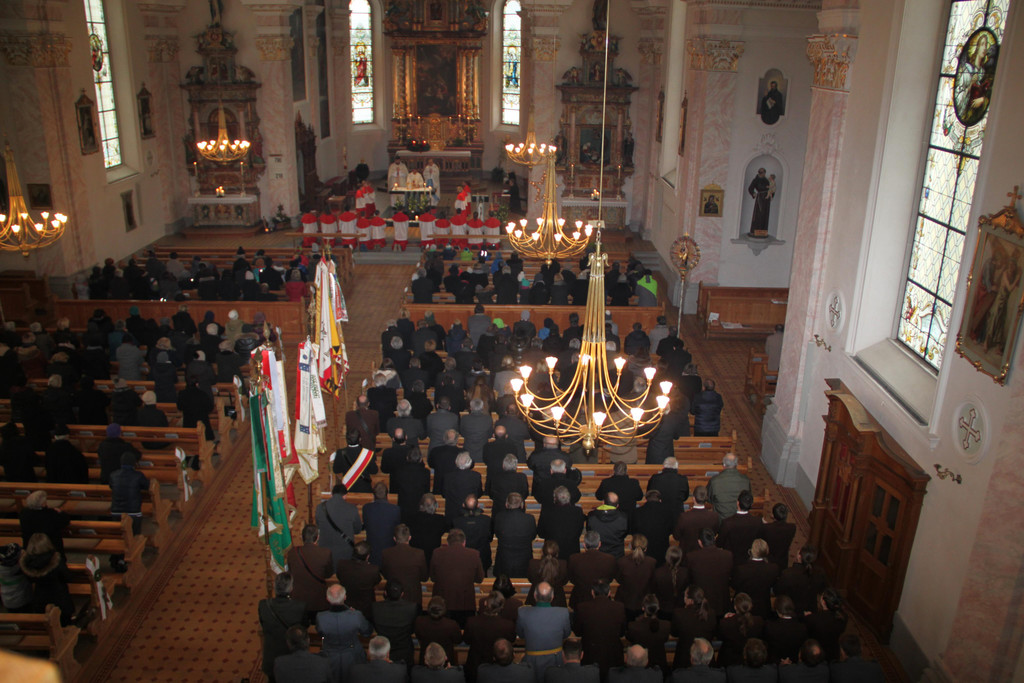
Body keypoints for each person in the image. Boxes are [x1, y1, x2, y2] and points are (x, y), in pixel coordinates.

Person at [518, 582, 573, 683]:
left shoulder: (523, 612)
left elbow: (521, 635)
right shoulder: (563, 613)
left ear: (535, 596)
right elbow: (566, 634)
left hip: (532, 662)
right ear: (552, 597)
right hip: (556, 661)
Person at [317, 584, 374, 681]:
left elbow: (321, 633)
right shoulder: (356, 615)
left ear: (327, 599)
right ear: (345, 597)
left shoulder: (321, 617)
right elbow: (367, 632)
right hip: (353, 655)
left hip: (330, 656)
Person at [259, 573, 308, 682]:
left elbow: (263, 624)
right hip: (292, 658)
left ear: (274, 587)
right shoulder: (300, 607)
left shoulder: (263, 605)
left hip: (272, 660)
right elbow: (304, 627)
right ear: (291, 588)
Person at [431, 528, 485, 626]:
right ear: (464, 542)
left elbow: (433, 577)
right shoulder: (474, 554)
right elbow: (480, 579)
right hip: (465, 603)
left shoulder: (437, 553)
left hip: (442, 603)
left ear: (448, 542)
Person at [19, 533, 74, 626]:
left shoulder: (27, 563)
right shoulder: (55, 560)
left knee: (47, 625)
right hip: (59, 597)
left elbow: (29, 579)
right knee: (65, 624)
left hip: (40, 599)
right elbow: (68, 577)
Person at [574, 579, 627, 677]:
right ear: (609, 593)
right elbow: (622, 632)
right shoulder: (619, 607)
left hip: (589, 655)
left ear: (592, 592)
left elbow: (577, 632)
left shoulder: (582, 607)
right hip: (613, 656)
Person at [287, 524, 334, 620]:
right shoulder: (325, 553)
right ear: (317, 538)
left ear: (302, 537)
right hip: (318, 602)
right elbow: (328, 574)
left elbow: (290, 572)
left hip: (298, 601)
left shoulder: (292, 553)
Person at [685, 528, 733, 617]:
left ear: (699, 542)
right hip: (722, 603)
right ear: (714, 539)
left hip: (700, 606)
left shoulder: (691, 557)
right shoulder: (727, 555)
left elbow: (689, 580)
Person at [374, 580, 421, 667]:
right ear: (402, 594)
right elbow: (412, 629)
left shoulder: (375, 607)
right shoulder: (411, 607)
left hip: (383, 649)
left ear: (385, 593)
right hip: (404, 650)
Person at [670, 586, 718, 670]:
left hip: (683, 661)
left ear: (690, 601)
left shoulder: (679, 614)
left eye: (685, 596)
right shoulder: (711, 614)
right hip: (707, 661)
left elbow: (674, 633)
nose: (684, 599)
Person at [731, 539, 780, 620]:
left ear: (751, 551)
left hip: (742, 606)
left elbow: (734, 585)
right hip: (763, 607)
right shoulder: (773, 569)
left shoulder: (741, 570)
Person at [315, 483, 362, 566]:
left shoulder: (320, 508)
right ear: (345, 496)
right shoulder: (352, 509)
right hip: (345, 553)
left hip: (325, 552)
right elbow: (357, 530)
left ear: (331, 494)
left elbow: (318, 525)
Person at [494, 492, 536, 577]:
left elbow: (497, 534)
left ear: (506, 504)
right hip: (524, 559)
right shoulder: (530, 519)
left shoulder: (499, 517)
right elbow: (533, 536)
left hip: (504, 559)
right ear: (522, 505)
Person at [336, 540, 381, 621]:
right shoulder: (373, 570)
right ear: (367, 556)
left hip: (346, 605)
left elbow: (339, 577)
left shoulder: (341, 565)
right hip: (366, 608)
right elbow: (377, 581)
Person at [364, 482, 403, 565]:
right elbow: (397, 528)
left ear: (374, 495)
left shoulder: (366, 508)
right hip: (389, 550)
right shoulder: (395, 509)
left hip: (372, 550)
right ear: (387, 495)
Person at [763, 595, 808, 664]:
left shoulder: (770, 627)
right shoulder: (802, 628)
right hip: (795, 663)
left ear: (777, 611)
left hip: (775, 664)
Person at [333, 429, 379, 494]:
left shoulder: (340, 453)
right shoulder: (368, 453)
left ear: (346, 439)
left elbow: (336, 470)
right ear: (360, 439)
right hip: (365, 490)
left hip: (346, 490)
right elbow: (374, 471)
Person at [707, 454, 751, 519]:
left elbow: (709, 498)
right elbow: (748, 498)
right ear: (737, 465)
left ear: (724, 465)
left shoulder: (714, 481)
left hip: (721, 519)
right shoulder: (746, 480)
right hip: (740, 519)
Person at [587, 491, 628, 558]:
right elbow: (625, 533)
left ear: (603, 502)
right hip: (617, 555)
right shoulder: (623, 518)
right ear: (617, 505)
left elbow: (589, 531)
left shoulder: (591, 516)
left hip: (598, 555)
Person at [758, 503, 796, 570]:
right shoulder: (792, 528)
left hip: (769, 561)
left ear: (773, 515)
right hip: (783, 561)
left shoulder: (766, 528)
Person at [748, 168, 773, 236]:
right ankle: (755, 230)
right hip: (760, 198)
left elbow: (770, 187)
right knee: (759, 214)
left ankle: (763, 231)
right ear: (760, 173)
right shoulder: (756, 180)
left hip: (766, 198)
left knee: (765, 214)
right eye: (763, 173)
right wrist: (753, 193)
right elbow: (750, 188)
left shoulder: (766, 179)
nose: (764, 174)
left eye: (764, 173)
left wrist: (771, 193)